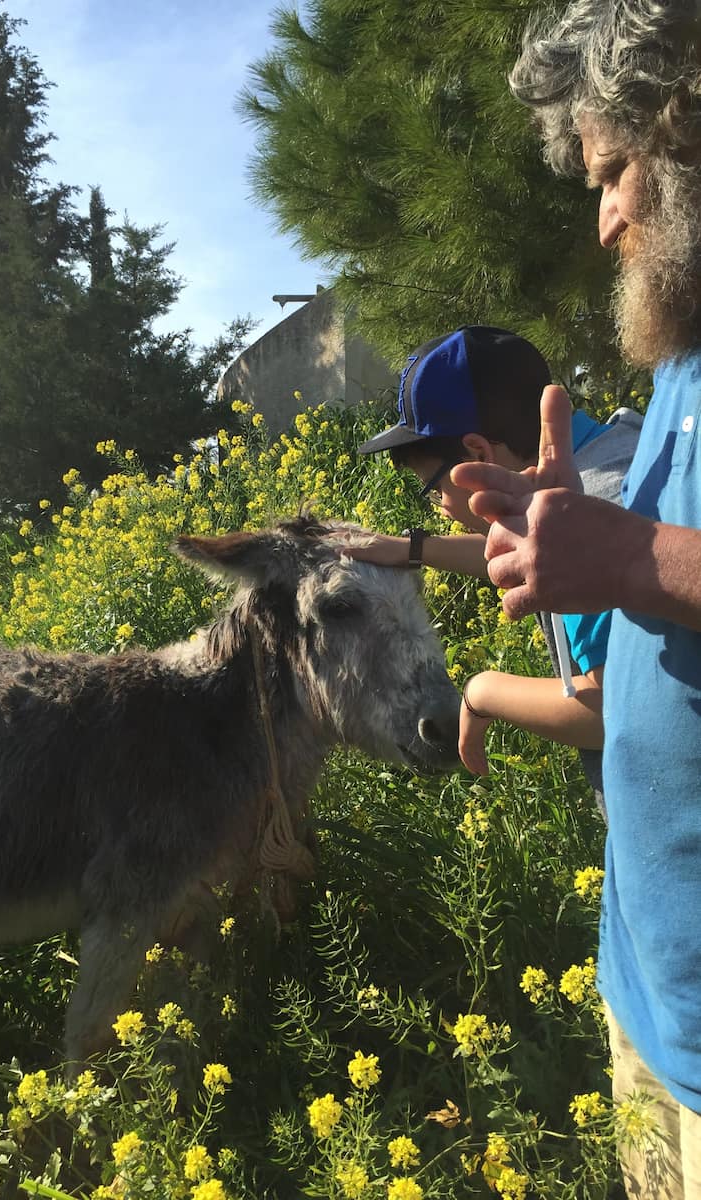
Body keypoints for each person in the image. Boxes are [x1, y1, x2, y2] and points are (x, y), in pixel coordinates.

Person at [451, 2, 701, 1193]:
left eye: (616, 173)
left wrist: (637, 562)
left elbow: (650, 567)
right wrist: (552, 535)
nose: (604, 220)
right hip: (651, 993)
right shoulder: (677, 373)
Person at [352, 324, 641, 792]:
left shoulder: (584, 517)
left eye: (433, 488)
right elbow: (526, 553)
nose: (441, 506)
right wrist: (414, 549)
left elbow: (612, 709)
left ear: (476, 452)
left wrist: (481, 693)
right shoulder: (622, 449)